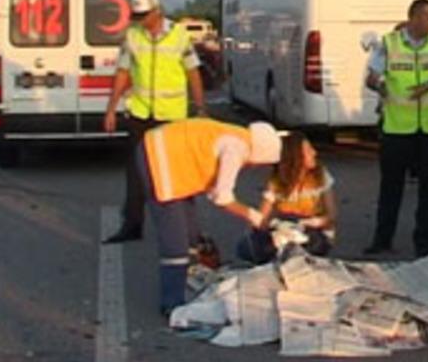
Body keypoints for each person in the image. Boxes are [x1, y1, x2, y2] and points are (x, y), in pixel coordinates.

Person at [137, 118, 283, 315]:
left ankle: (187, 282)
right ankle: (172, 304)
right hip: (159, 160)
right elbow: (223, 197)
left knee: (190, 231)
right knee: (175, 240)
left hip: (165, 154)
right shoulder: (237, 148)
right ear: (261, 154)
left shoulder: (236, 135)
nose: (254, 168)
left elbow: (214, 188)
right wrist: (255, 217)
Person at [102, 0, 207, 244]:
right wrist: (111, 108)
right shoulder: (132, 35)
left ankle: (190, 231)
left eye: (144, 16)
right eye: (137, 16)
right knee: (137, 172)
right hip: (141, 113)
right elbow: (123, 72)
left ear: (157, 11)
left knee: (178, 173)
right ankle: (132, 225)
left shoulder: (179, 35)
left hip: (171, 116)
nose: (141, 21)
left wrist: (200, 107)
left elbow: (193, 73)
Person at [363, 0, 428, 258]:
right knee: (391, 187)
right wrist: (379, 85)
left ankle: (423, 243)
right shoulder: (388, 44)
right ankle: (382, 239)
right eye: (427, 17)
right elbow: (371, 77)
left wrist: (426, 88)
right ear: (413, 17)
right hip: (397, 128)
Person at [237, 132, 337, 264]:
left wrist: (309, 223)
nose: (314, 153)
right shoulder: (277, 181)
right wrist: (275, 227)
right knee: (249, 247)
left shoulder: (321, 176)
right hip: (284, 228)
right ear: (295, 157)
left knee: (311, 245)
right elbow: (262, 218)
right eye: (308, 150)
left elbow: (331, 217)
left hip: (313, 230)